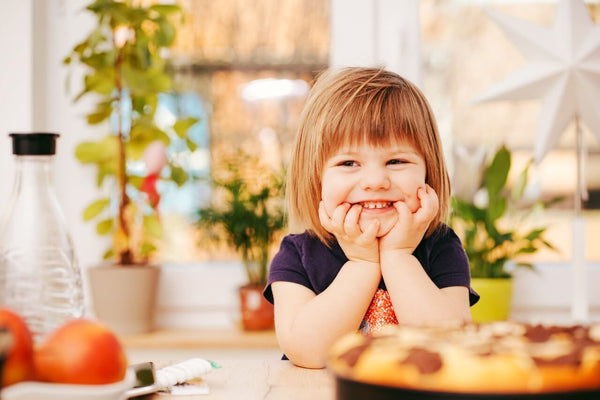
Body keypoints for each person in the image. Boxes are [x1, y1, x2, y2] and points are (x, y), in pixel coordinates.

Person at [263, 67, 479, 369]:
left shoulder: (441, 246)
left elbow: (450, 348)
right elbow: (307, 352)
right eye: (349, 162)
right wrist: (363, 263)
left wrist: (398, 256)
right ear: (316, 179)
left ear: (428, 172)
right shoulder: (297, 255)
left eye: (396, 161)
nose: (375, 180)